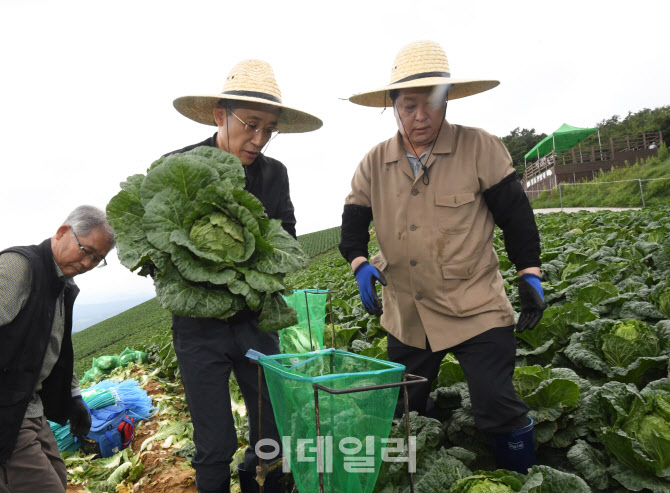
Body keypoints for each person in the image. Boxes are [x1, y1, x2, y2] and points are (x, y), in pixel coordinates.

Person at [338, 41, 546, 474]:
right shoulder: (374, 163)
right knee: (402, 411)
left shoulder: (479, 148)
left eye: (431, 104)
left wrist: (529, 274)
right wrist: (360, 264)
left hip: (476, 304)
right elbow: (352, 226)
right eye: (408, 105)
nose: (420, 116)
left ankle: (522, 477)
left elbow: (517, 218)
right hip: (408, 311)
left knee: (496, 403)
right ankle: (422, 461)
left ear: (446, 100)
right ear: (393, 106)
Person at [167, 59, 322, 493]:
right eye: (251, 124)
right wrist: (211, 274)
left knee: (271, 434)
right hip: (199, 330)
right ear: (220, 115)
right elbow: (158, 250)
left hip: (256, 323)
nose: (259, 139)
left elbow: (286, 237)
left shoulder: (275, 174)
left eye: (269, 129)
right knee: (213, 443)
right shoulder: (178, 167)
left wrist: (251, 270)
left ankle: (262, 482)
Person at [0, 205, 115, 493]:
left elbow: (58, 347)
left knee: (57, 476)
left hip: (29, 405)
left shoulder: (61, 285)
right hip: (6, 407)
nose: (88, 262)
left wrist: (74, 395)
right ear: (63, 232)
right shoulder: (18, 267)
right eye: (85, 250)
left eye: (97, 259)